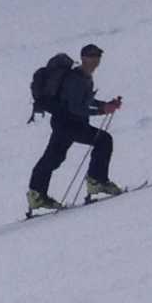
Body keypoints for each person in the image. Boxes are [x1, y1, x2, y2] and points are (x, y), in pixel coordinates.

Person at [27, 44, 123, 212]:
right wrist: (102, 110)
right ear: (83, 58)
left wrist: (105, 105)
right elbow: (76, 108)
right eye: (91, 57)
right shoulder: (76, 79)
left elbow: (85, 101)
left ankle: (37, 194)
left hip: (65, 123)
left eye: (97, 57)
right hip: (69, 124)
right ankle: (96, 181)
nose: (95, 61)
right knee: (103, 140)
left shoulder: (83, 77)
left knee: (54, 157)